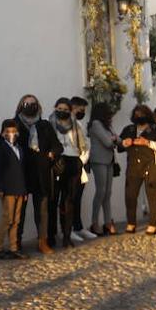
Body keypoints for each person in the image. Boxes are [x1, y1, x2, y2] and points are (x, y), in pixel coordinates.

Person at [13, 94, 62, 254]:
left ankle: (43, 241)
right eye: (26, 103)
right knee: (18, 211)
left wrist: (51, 154)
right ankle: (16, 243)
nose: (30, 106)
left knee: (42, 211)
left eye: (33, 103)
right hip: (22, 174)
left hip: (41, 174)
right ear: (21, 106)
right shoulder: (14, 125)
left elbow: (57, 146)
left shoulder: (45, 125)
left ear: (38, 106)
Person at [117, 103, 156, 235]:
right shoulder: (129, 129)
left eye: (142, 114)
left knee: (152, 196)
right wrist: (124, 143)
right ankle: (131, 223)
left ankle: (152, 224)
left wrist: (147, 143)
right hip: (133, 167)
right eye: (136, 114)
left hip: (150, 165)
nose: (139, 116)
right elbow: (119, 146)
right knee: (130, 196)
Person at [49, 97, 89, 248]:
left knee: (69, 201)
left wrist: (81, 161)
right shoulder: (49, 123)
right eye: (60, 109)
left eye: (66, 110)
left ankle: (67, 235)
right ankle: (51, 235)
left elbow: (84, 145)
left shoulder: (76, 125)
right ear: (55, 108)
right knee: (53, 200)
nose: (62, 112)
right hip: (57, 162)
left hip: (73, 161)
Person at [0, 119, 28, 260]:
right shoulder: (1, 148)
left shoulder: (19, 148)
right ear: (2, 133)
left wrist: (25, 190)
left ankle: (14, 248)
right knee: (7, 218)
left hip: (20, 188)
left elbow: (23, 170)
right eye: (7, 131)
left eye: (13, 131)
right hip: (7, 189)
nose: (11, 133)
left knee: (16, 220)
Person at [86, 103, 118, 235]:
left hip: (109, 160)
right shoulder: (96, 124)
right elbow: (108, 142)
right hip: (98, 160)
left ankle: (107, 222)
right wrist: (114, 139)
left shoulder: (107, 125)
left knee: (108, 192)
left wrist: (117, 139)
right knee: (101, 191)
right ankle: (94, 222)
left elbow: (117, 138)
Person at [68, 96, 93, 240]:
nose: (82, 111)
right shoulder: (67, 125)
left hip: (81, 164)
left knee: (78, 198)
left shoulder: (79, 124)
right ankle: (68, 228)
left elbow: (86, 143)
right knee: (69, 199)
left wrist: (84, 158)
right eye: (80, 109)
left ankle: (78, 226)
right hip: (72, 164)